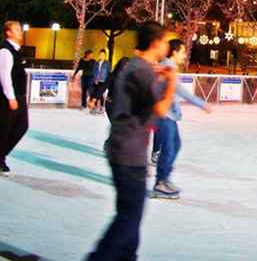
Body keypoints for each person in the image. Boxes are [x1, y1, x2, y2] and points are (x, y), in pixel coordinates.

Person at [87, 22, 177, 261]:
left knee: (131, 217)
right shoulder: (141, 70)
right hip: (130, 152)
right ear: (156, 42)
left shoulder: (135, 66)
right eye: (166, 41)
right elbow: (159, 109)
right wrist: (172, 84)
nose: (168, 46)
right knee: (128, 218)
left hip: (125, 149)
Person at [151, 39, 213, 200]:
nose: (185, 55)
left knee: (174, 146)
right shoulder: (167, 67)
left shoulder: (168, 66)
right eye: (183, 51)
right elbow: (182, 92)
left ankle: (163, 179)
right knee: (170, 148)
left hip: (169, 115)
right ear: (174, 52)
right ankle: (161, 182)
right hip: (164, 116)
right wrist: (202, 104)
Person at [0, 21, 29, 176]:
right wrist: (11, 97)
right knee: (4, 129)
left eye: (20, 29)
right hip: (7, 97)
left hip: (19, 96)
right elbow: (3, 75)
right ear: (8, 33)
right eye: (17, 30)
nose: (21, 32)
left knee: (22, 126)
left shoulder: (16, 51)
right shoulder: (5, 52)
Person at [90, 50, 111, 115]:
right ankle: (95, 107)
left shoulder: (107, 63)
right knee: (95, 93)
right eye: (100, 55)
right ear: (99, 55)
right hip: (96, 80)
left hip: (103, 81)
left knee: (101, 94)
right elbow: (93, 72)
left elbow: (109, 72)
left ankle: (101, 107)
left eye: (103, 55)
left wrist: (107, 81)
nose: (101, 56)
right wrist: (94, 79)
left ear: (105, 56)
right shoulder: (96, 63)